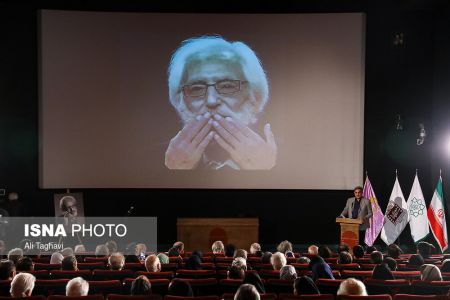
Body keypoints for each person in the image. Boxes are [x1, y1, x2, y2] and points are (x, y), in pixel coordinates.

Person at [165, 36, 276, 170]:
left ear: (254, 99)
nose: (211, 101)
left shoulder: (289, 161)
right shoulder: (156, 164)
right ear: (180, 104)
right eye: (197, 88)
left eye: (227, 86)